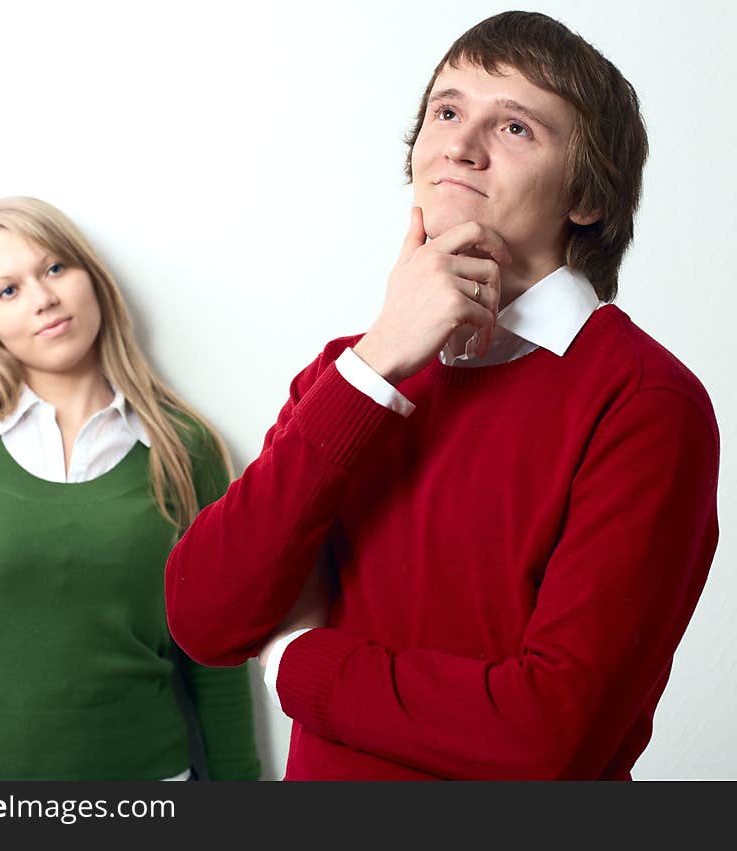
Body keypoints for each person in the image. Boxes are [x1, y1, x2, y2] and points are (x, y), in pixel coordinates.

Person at [165, 11, 720, 780]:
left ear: (587, 196)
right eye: (448, 111)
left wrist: (299, 663)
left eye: (516, 127)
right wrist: (378, 361)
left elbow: (543, 738)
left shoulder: (645, 402)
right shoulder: (352, 374)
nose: (461, 143)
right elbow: (203, 616)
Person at [0, 196, 261, 781]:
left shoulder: (186, 449)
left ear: (91, 278)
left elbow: (216, 654)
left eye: (55, 267)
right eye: (8, 290)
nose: (43, 298)